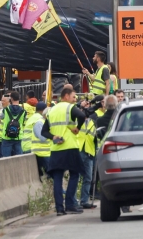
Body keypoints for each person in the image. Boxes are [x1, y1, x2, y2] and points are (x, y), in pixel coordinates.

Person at [41, 84, 87, 215]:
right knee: (75, 174)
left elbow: (44, 132)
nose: (75, 99)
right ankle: (70, 204)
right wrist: (78, 127)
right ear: (66, 96)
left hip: (56, 149)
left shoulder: (51, 110)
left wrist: (53, 136)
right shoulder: (69, 107)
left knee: (57, 178)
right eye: (73, 97)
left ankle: (59, 208)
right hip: (70, 147)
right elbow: (82, 116)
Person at [77, 95, 103, 209]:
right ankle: (73, 200)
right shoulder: (77, 120)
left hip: (90, 151)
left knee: (88, 178)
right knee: (77, 177)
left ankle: (84, 201)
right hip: (79, 150)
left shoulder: (93, 121)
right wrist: (82, 104)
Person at [0, 91, 27, 158]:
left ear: (11, 99)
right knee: (19, 158)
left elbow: (1, 117)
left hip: (7, 136)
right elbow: (23, 122)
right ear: (19, 98)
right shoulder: (23, 111)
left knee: (6, 159)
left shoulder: (5, 110)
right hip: (18, 136)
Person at [27, 102, 51, 179]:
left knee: (52, 174)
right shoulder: (39, 123)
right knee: (51, 174)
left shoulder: (48, 123)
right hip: (41, 153)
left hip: (48, 153)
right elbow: (42, 138)